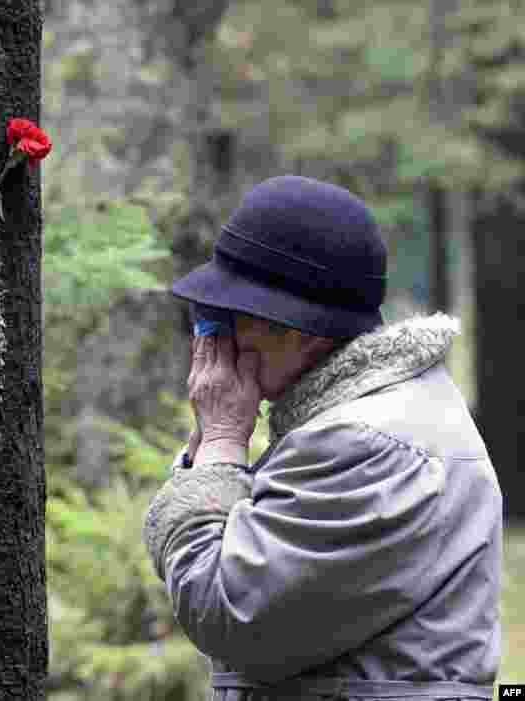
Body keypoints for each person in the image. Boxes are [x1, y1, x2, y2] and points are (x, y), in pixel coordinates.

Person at [143, 175, 502, 700]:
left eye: (233, 315)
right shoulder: (363, 418)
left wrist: (222, 438)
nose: (216, 337)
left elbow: (224, 612)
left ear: (302, 330)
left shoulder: (365, 444)